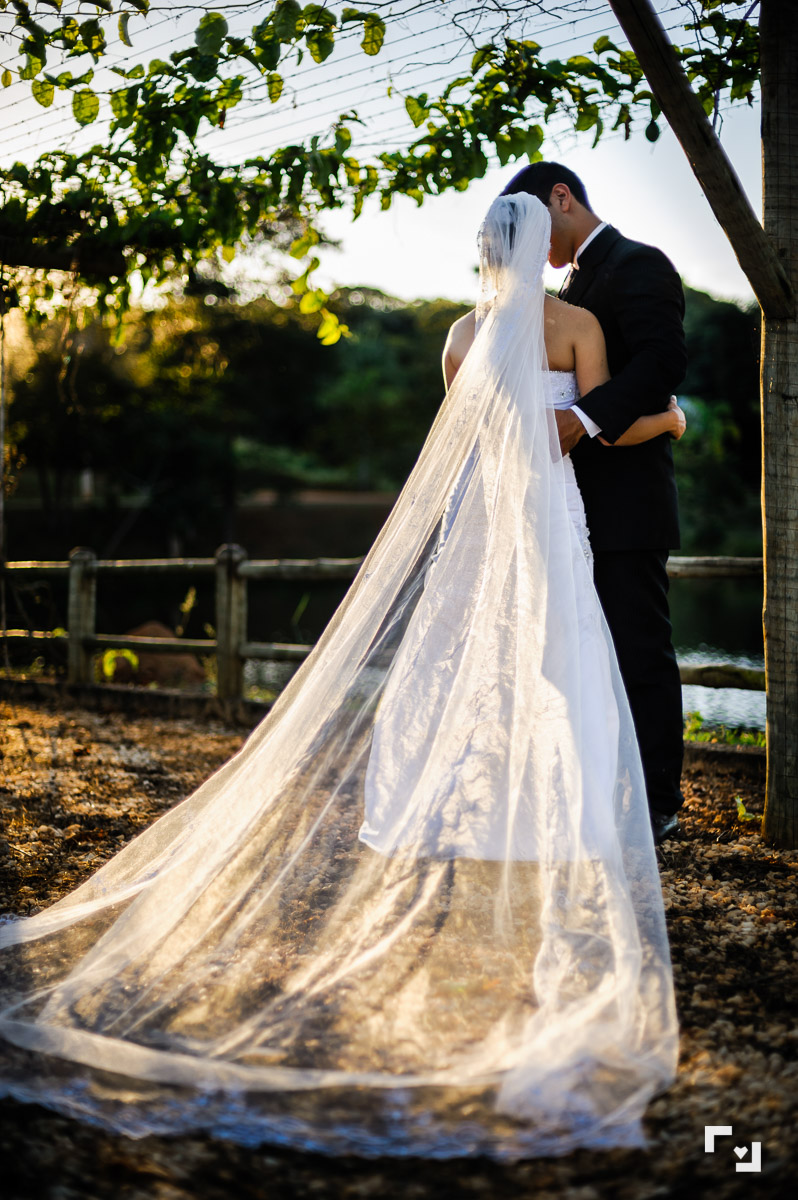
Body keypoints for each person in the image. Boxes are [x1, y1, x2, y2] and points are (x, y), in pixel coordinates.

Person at [0, 193, 678, 1159]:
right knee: (567, 664)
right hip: (551, 523)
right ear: (543, 250)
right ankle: (561, 816)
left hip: (482, 524)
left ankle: (449, 805)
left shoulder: (458, 334)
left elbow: (467, 439)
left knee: (461, 666)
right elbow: (602, 426)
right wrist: (676, 421)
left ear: (483, 250)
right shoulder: (576, 326)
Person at [501, 163, 687, 846]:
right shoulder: (565, 289)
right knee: (574, 656)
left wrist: (583, 418)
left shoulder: (639, 264)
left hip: (626, 504)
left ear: (563, 198)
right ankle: (594, 787)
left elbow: (662, 364)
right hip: (564, 502)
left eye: (534, 222)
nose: (530, 243)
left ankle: (659, 802)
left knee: (639, 652)